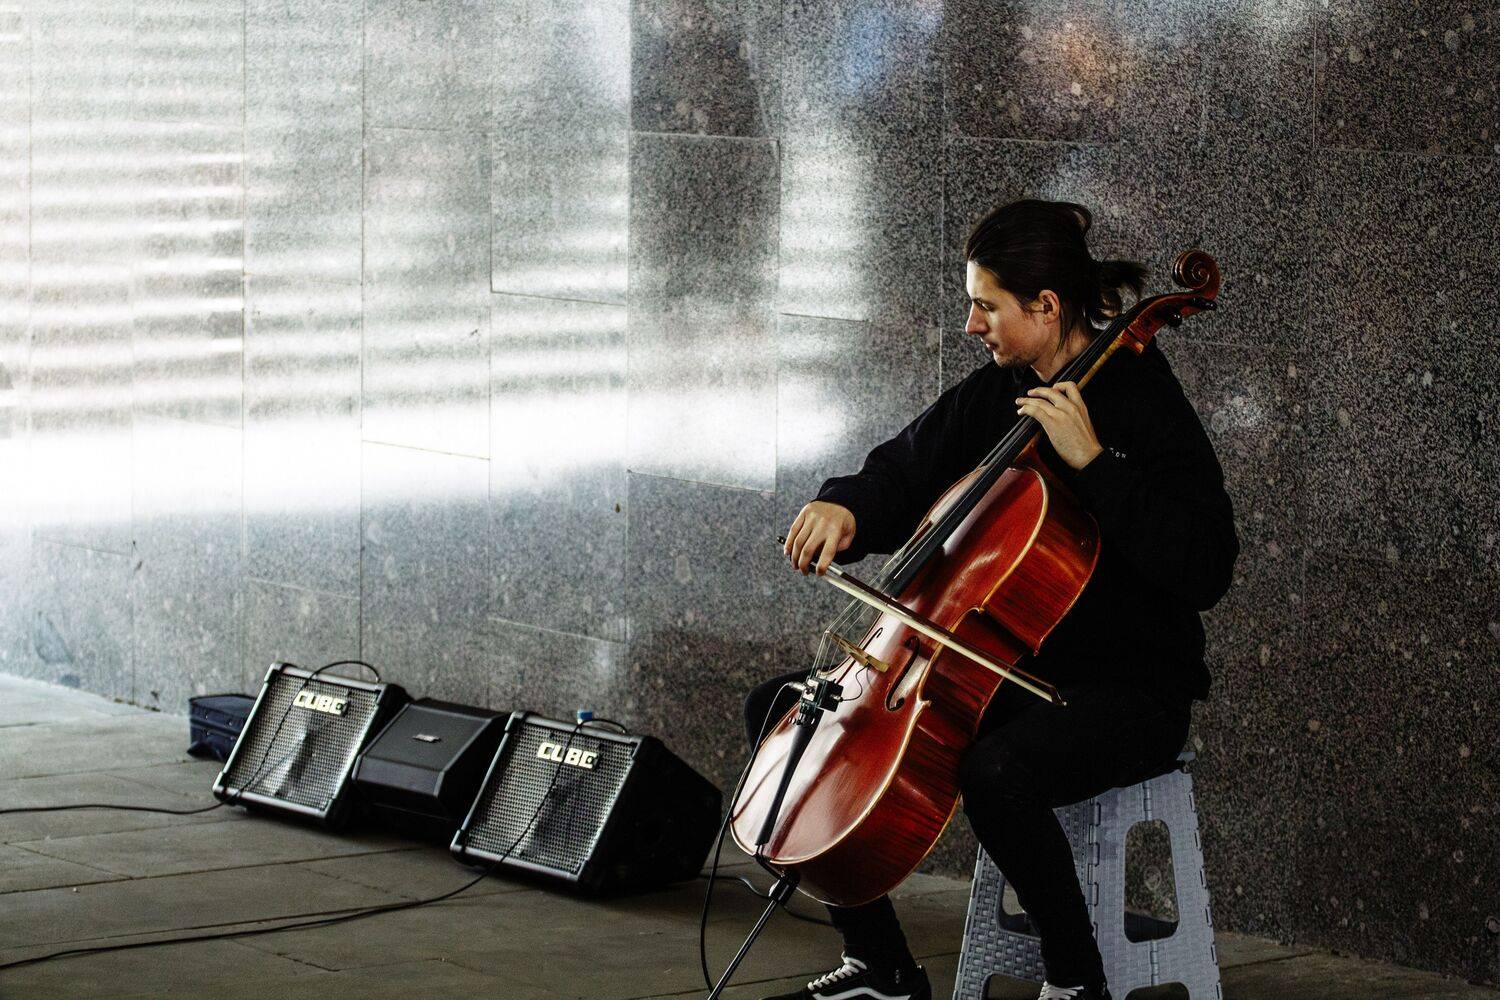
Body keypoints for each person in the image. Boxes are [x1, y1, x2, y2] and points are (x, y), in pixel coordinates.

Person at [745, 199, 1239, 1000]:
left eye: (986, 306)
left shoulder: (1144, 402)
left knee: (997, 771)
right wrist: (847, 506)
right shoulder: (996, 395)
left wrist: (1094, 465)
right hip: (1006, 672)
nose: (973, 324)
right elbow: (904, 470)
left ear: (1045, 306)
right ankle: (880, 967)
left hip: (1128, 688)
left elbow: (1207, 565)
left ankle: (1076, 983)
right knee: (786, 713)